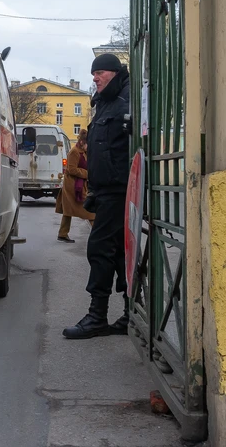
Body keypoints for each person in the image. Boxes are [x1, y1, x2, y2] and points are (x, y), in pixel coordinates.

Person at [63, 53, 131, 339]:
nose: (95, 77)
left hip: (122, 191)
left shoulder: (128, 100)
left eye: (100, 72)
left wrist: (111, 186)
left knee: (101, 250)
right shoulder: (104, 103)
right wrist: (96, 189)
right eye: (93, 73)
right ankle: (131, 315)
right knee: (118, 255)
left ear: (114, 73)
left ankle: (97, 317)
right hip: (106, 191)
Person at [55, 129, 94, 243]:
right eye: (88, 143)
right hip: (72, 186)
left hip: (77, 184)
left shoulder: (83, 152)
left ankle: (62, 234)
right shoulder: (74, 152)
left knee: (68, 211)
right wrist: (88, 174)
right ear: (82, 142)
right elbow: (71, 169)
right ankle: (98, 234)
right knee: (88, 210)